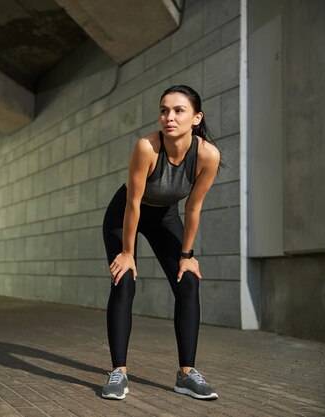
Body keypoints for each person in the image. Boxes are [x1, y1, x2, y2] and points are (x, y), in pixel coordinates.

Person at [100, 85, 220, 401]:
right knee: (123, 279)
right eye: (164, 110)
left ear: (196, 117)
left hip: (165, 217)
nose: (169, 117)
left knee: (189, 280)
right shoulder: (147, 148)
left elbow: (193, 207)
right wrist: (127, 253)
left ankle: (186, 375)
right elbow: (133, 204)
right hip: (125, 212)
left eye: (179, 110)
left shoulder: (207, 155)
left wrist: (187, 255)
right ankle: (118, 373)